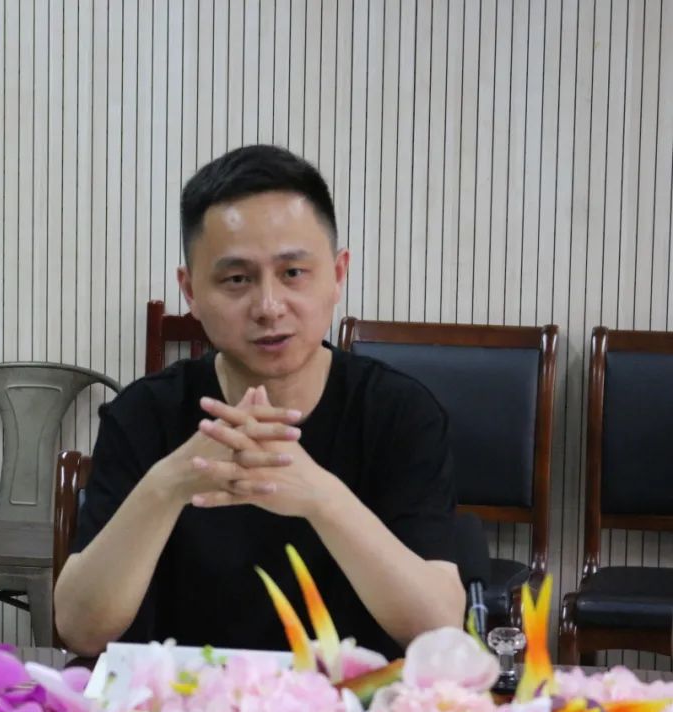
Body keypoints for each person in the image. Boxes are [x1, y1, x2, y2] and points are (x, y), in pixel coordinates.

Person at [53, 144, 464, 660]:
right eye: (237, 279)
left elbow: (438, 630)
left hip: (348, 697)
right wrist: (169, 483)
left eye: (293, 273)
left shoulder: (400, 414)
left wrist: (321, 497)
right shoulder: (144, 414)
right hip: (183, 696)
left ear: (338, 275)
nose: (269, 307)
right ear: (190, 291)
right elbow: (80, 630)